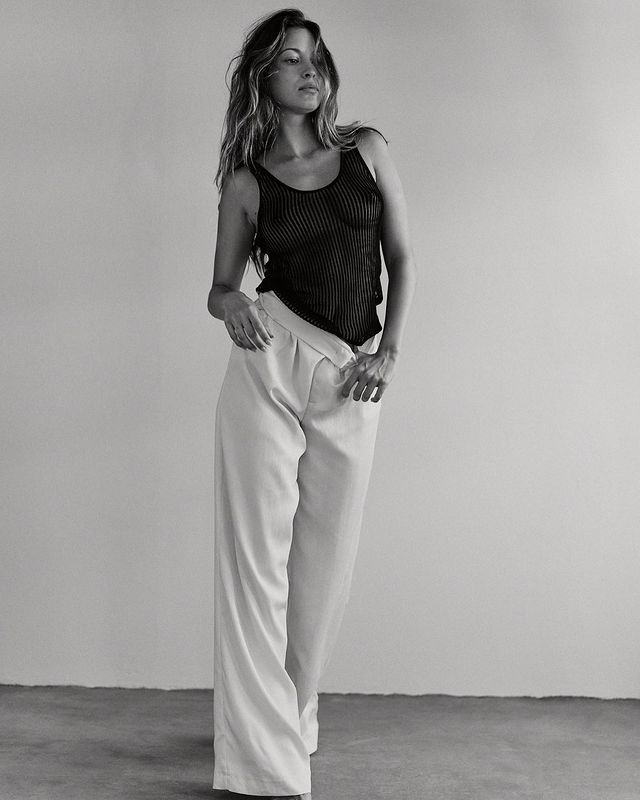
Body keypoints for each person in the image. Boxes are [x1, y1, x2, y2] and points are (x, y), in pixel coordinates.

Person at [207, 8, 416, 799]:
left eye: (316, 59)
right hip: (268, 365)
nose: (309, 71)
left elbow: (401, 257)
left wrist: (389, 351)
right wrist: (231, 303)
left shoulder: (367, 150)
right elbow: (220, 286)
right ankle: (262, 765)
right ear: (262, 75)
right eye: (291, 59)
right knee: (254, 566)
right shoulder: (247, 182)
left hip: (350, 373)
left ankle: (290, 718)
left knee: (323, 572)